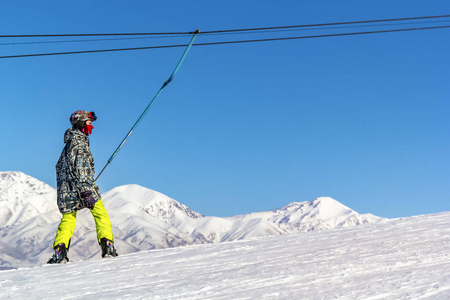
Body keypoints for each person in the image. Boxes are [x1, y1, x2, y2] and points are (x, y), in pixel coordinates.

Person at [48, 110, 118, 264]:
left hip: (66, 190)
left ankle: (60, 252)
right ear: (81, 123)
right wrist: (86, 191)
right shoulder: (80, 143)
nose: (91, 126)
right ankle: (108, 246)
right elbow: (81, 168)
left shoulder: (69, 144)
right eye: (89, 122)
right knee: (100, 214)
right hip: (83, 187)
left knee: (68, 219)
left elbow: (60, 168)